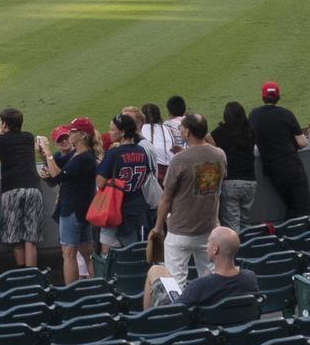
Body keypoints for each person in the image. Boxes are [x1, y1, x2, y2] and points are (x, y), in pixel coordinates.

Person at [154, 112, 226, 283]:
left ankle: (178, 310)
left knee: (175, 281)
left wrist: (157, 228)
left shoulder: (179, 160)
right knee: (210, 278)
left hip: (181, 230)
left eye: (182, 128)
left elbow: (166, 198)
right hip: (209, 228)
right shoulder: (220, 155)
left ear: (187, 132)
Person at [142, 225, 258, 310]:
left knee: (155, 270)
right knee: (162, 270)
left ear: (215, 249)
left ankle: (148, 324)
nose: (207, 246)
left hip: (181, 324)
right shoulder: (250, 278)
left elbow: (173, 312)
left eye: (208, 242)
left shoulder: (199, 286)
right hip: (228, 330)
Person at [39, 123, 100, 282]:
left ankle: (71, 294)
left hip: (72, 210)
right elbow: (54, 175)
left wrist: (47, 152)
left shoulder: (84, 157)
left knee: (69, 253)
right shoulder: (78, 155)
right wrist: (46, 162)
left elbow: (58, 175)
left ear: (82, 135)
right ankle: (98, 287)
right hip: (81, 210)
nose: (69, 134)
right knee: (87, 254)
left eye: (72, 131)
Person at [0, 109, 44, 271]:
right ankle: (32, 274)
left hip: (11, 190)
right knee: (30, 238)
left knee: (15, 236)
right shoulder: (28, 137)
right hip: (33, 188)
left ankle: (21, 273)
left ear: (4, 124)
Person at [98, 112, 158, 251]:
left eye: (113, 129)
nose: (110, 132)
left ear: (123, 132)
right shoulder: (142, 151)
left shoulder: (114, 153)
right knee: (134, 253)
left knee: (108, 254)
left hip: (114, 207)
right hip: (136, 210)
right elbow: (148, 178)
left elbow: (100, 182)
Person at [248, 82, 310, 217]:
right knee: (304, 208)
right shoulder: (286, 114)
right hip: (291, 165)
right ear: (278, 96)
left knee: (291, 206)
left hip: (271, 169)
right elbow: (303, 142)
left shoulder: (254, 115)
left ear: (262, 96)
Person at [215, 101, 259, 230]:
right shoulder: (250, 131)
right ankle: (246, 247)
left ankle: (238, 250)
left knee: (232, 226)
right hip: (250, 182)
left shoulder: (221, 131)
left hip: (230, 182)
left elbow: (205, 141)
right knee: (245, 223)